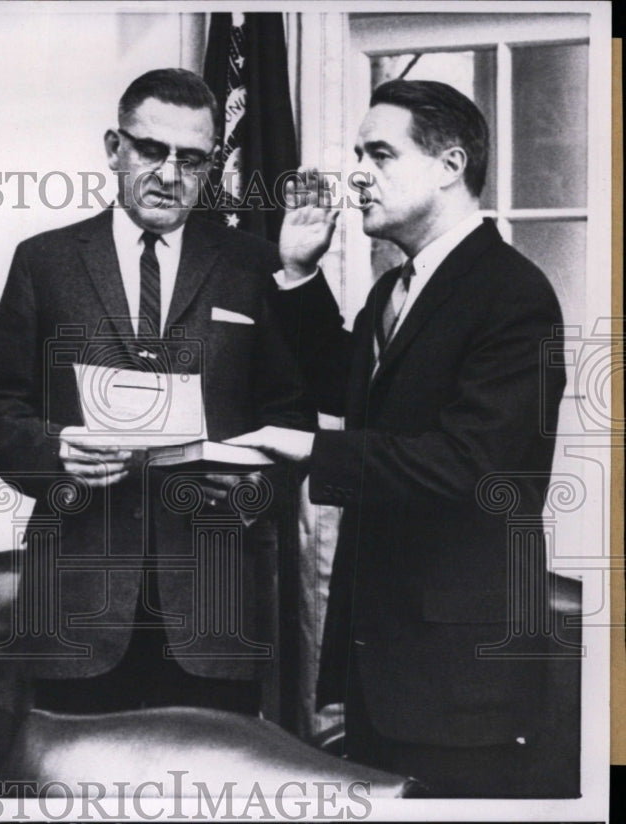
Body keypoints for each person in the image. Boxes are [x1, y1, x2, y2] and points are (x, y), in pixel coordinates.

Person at [229, 79, 566, 796]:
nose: (356, 172)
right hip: (389, 667)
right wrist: (296, 272)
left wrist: (313, 452)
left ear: (449, 166)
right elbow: (343, 390)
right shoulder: (395, 290)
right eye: (357, 152)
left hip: (462, 682)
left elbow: (473, 469)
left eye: (379, 153)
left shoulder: (514, 296)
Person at [0, 68, 309, 716]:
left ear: (212, 165)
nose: (169, 173)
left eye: (191, 158)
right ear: (113, 148)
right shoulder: (45, 261)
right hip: (76, 611)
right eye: (151, 149)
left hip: (214, 614)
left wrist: (249, 491)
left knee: (211, 805)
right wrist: (57, 452)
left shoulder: (255, 266)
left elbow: (291, 418)